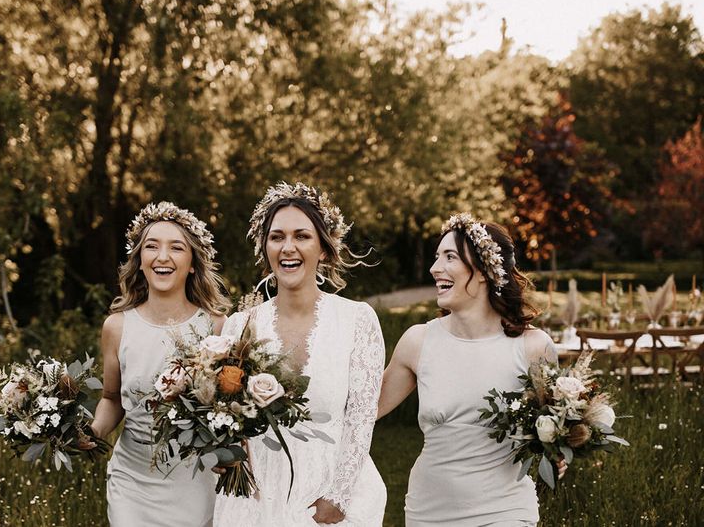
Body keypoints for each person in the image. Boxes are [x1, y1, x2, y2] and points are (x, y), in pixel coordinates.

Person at [214, 182, 386, 526]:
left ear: (323, 248)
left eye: (301, 236)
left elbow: (361, 419)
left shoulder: (357, 320)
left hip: (329, 498)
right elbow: (224, 414)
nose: (287, 248)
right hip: (256, 498)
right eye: (277, 237)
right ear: (265, 248)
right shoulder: (238, 326)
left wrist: (337, 496)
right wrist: (224, 449)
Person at [378, 213, 561, 527]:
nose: (435, 268)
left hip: (505, 510)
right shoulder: (418, 342)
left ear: (483, 271)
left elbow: (557, 424)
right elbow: (362, 410)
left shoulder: (534, 347)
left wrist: (559, 448)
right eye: (436, 257)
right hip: (429, 511)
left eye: (450, 257)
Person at [90, 202, 229, 527]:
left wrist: (229, 452)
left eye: (176, 247)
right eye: (152, 246)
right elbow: (111, 399)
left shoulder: (218, 327)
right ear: (140, 261)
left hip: (195, 480)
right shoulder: (116, 327)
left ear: (193, 263)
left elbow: (231, 407)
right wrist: (92, 432)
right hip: (132, 480)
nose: (162, 256)